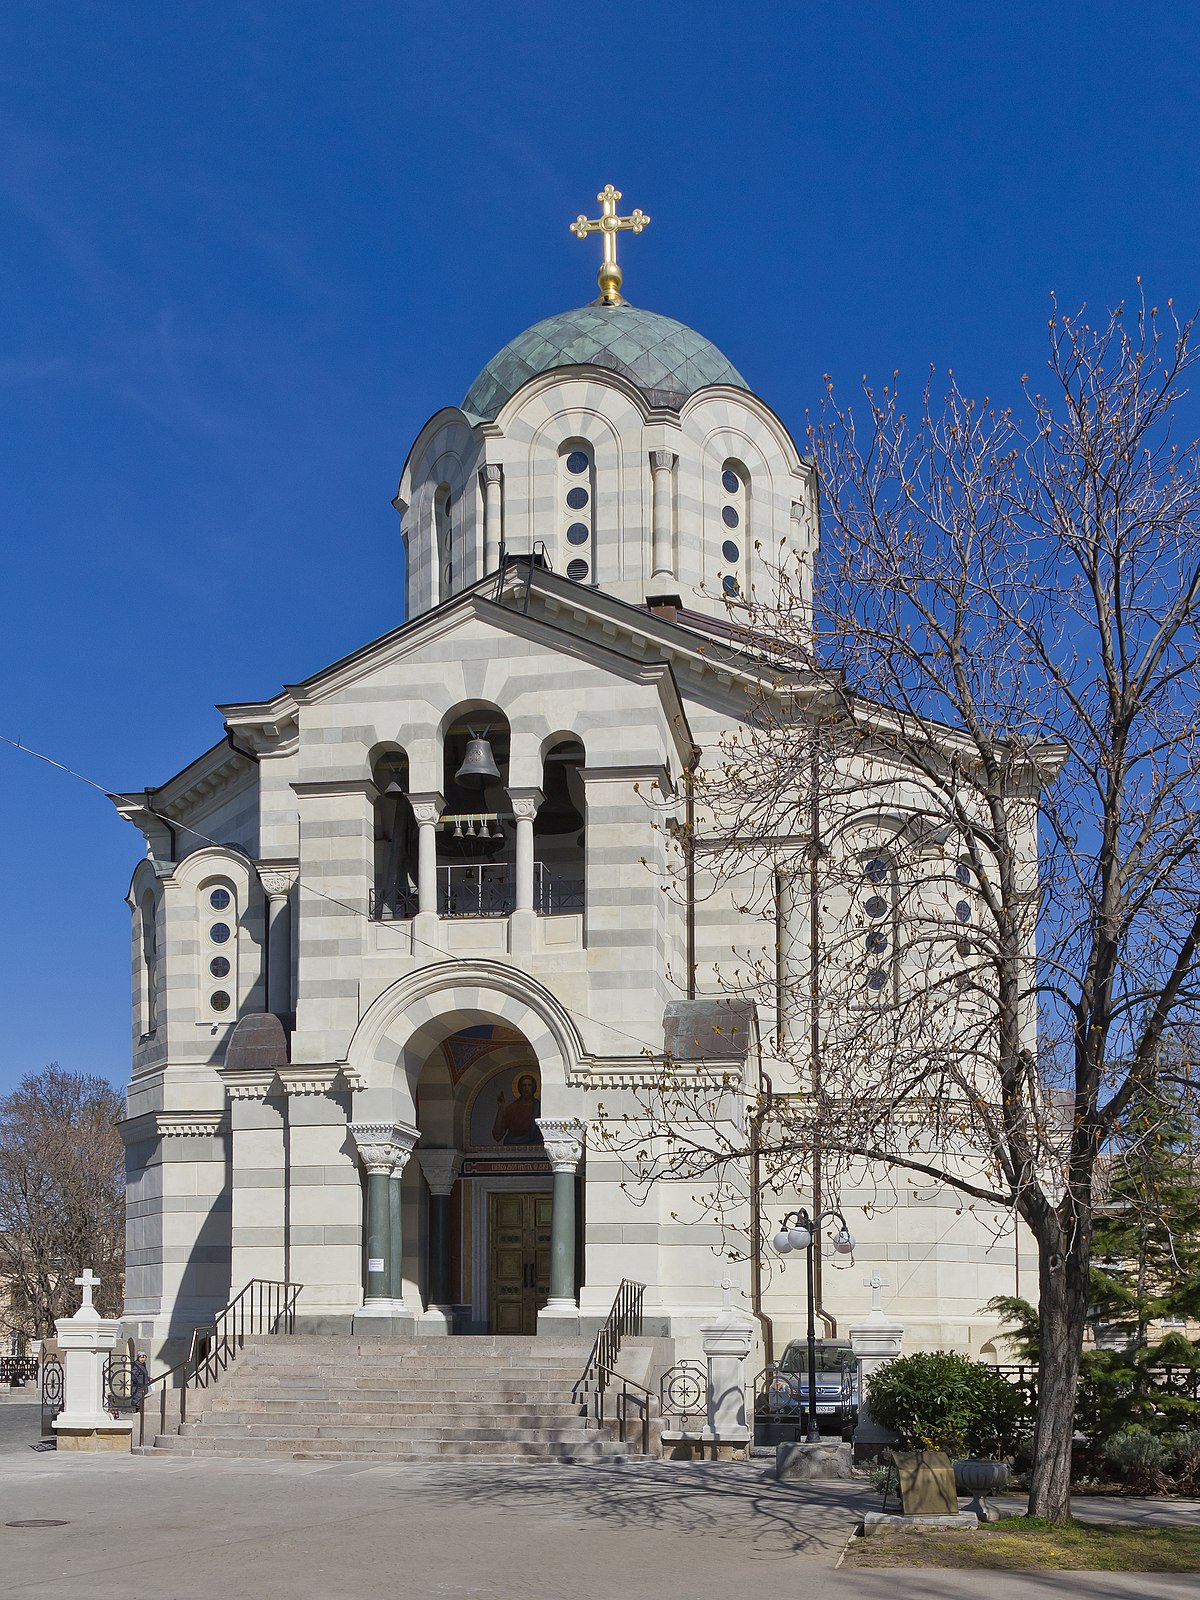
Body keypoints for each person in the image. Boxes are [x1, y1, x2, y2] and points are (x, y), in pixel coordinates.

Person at [492, 1073, 541, 1145]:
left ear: (534, 1087)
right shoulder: (511, 1109)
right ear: (519, 1088)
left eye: (529, 1085)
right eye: (524, 1085)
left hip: (535, 1149)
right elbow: (497, 1136)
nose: (526, 1088)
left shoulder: (539, 1108)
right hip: (513, 1147)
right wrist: (500, 1108)